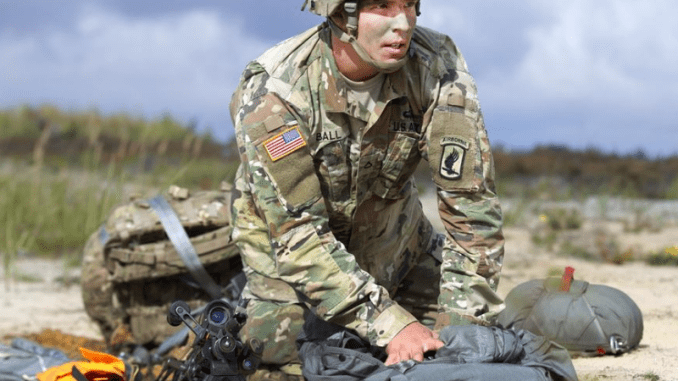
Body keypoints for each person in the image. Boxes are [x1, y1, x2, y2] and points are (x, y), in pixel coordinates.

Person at [228, 1, 504, 379]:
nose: (402, 23)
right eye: (383, 6)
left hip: (398, 255)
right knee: (292, 352)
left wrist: (462, 327)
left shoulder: (438, 69)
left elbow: (473, 209)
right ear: (342, 15)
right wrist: (391, 325)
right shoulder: (275, 91)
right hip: (295, 273)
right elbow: (299, 237)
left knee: (476, 342)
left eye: (410, 5)